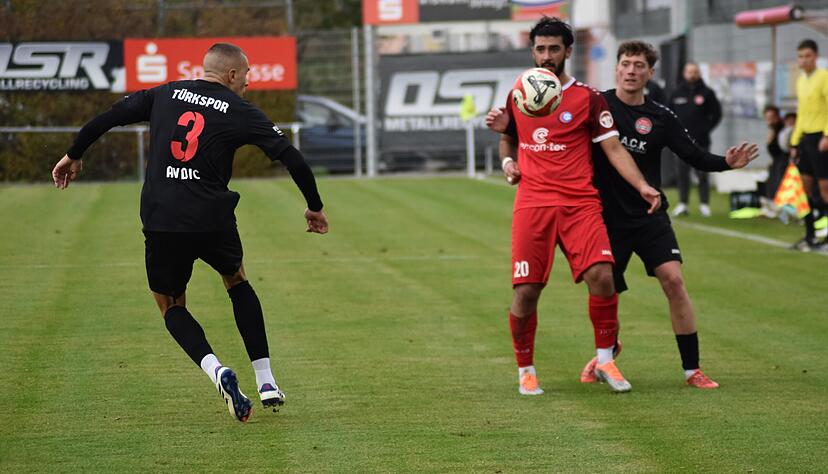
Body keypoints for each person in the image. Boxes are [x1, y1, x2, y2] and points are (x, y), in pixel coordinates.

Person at [51, 43, 329, 422]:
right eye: (246, 77)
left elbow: (110, 117)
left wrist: (74, 153)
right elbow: (291, 157)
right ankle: (266, 381)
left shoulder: (165, 93)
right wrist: (314, 205)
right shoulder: (240, 110)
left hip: (162, 217)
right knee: (236, 279)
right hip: (212, 217)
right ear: (231, 75)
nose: (247, 85)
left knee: (170, 304)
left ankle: (216, 370)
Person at [485, 17, 661, 395]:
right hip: (533, 203)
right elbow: (508, 138)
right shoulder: (521, 91)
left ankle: (605, 360)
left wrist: (643, 185)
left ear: (568, 51)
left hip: (580, 202)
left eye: (553, 49)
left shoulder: (588, 97)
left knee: (603, 276)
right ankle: (525, 370)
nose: (546, 56)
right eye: (540, 49)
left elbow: (613, 148)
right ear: (532, 51)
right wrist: (507, 162)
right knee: (527, 290)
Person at [582, 41, 758, 389]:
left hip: (650, 215)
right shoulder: (597, 106)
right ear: (616, 68)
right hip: (604, 218)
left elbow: (693, 155)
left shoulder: (661, 117)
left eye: (639, 65)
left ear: (650, 73)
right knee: (605, 293)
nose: (631, 71)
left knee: (674, 281)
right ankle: (607, 353)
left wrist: (726, 162)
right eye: (626, 64)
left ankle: (692, 369)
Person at [789, 39, 828, 252]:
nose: (803, 60)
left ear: (816, 56)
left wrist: (827, 135)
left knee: (824, 191)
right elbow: (802, 113)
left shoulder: (824, 78)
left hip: (821, 139)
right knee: (804, 190)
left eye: (807, 56)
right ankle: (809, 235)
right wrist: (795, 142)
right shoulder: (801, 80)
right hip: (806, 140)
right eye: (800, 56)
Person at [669, 61, 722, 217]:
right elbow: (668, 114)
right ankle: (683, 203)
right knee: (682, 173)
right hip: (681, 142)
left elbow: (717, 114)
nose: (692, 74)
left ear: (699, 73)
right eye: (689, 72)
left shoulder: (707, 93)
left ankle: (704, 204)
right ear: (684, 74)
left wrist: (706, 128)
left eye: (695, 72)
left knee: (702, 173)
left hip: (701, 141)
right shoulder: (676, 93)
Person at [761, 105, 790, 201]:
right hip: (776, 161)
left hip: (784, 161)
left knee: (779, 184)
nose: (770, 121)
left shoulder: (782, 129)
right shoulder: (773, 129)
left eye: (772, 118)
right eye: (767, 118)